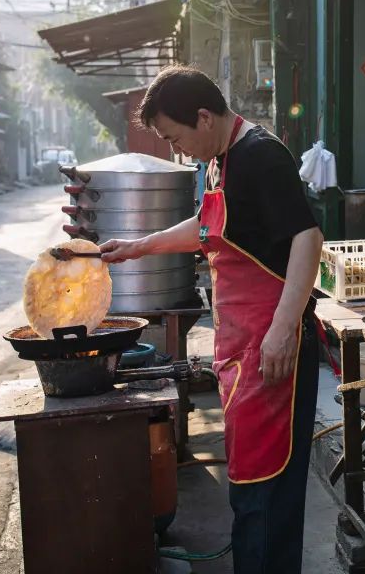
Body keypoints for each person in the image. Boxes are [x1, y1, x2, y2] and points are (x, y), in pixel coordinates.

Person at [100, 66, 324, 573]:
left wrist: (282, 330)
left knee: (266, 493)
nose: (178, 151)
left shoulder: (260, 155)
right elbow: (208, 227)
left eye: (175, 138)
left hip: (271, 348)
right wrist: (139, 246)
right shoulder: (220, 161)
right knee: (248, 489)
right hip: (242, 350)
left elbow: (307, 238)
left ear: (204, 117)